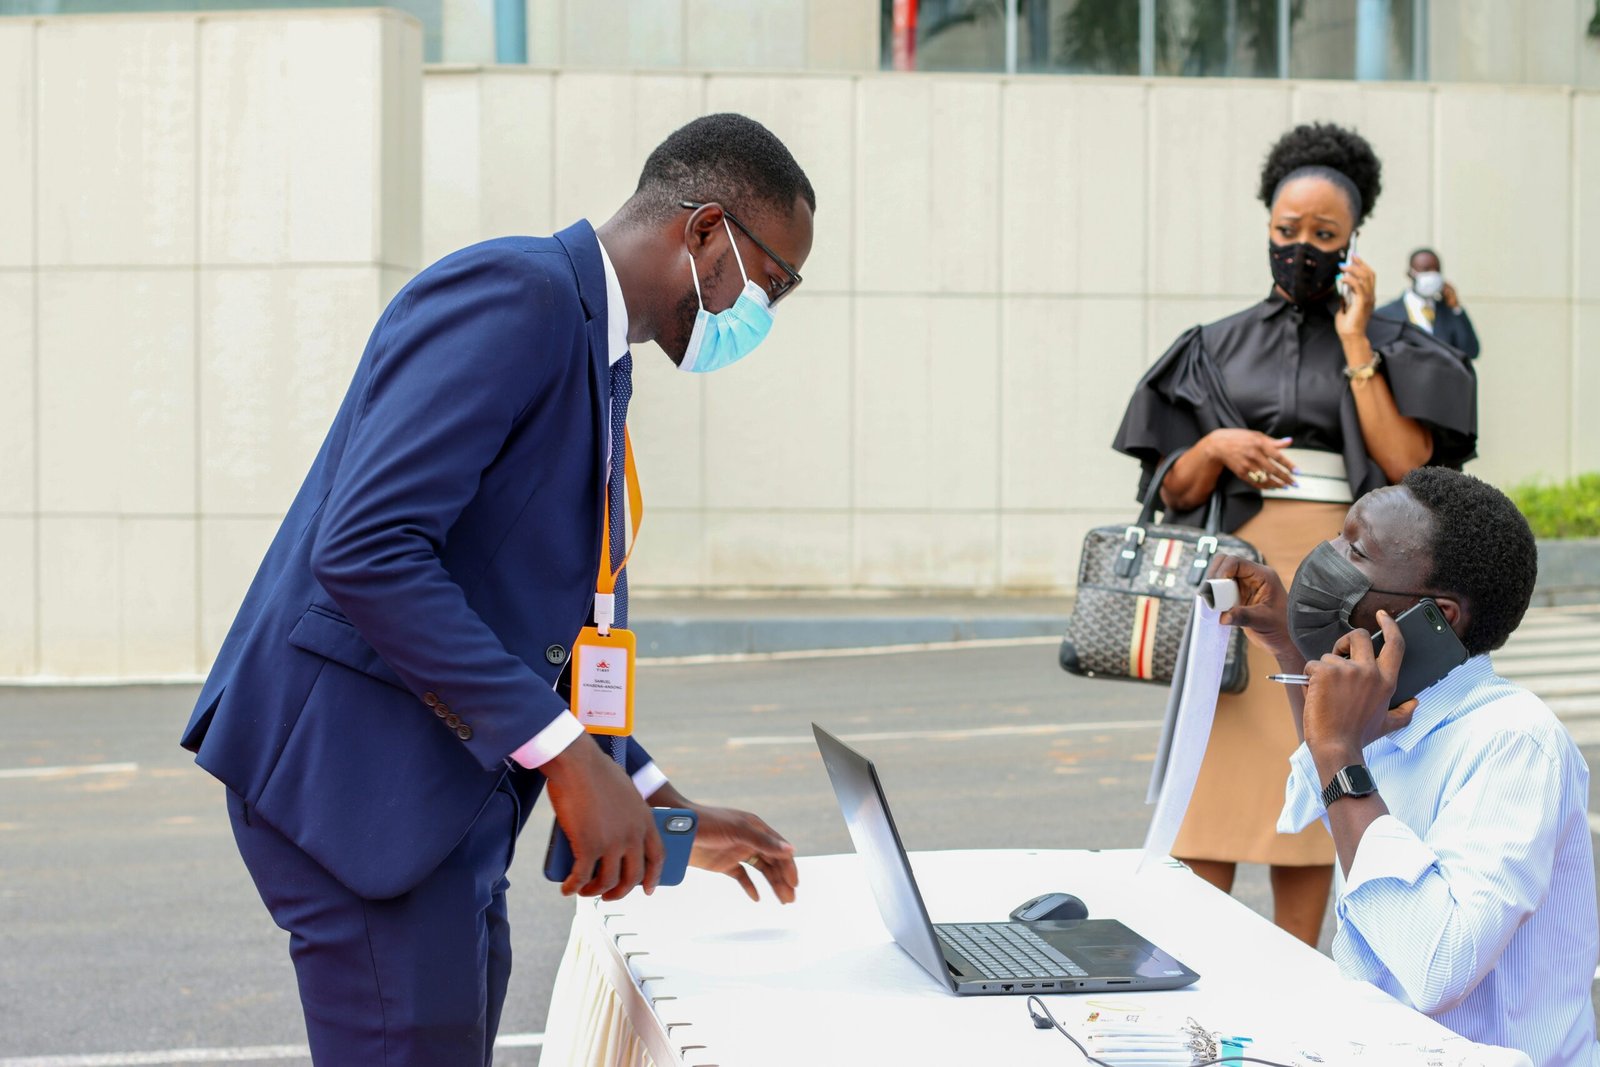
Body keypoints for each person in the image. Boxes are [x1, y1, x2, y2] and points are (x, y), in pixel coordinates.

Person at [179, 113, 814, 1065]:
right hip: (362, 788)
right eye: (775, 280)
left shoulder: (597, 357)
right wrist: (566, 756)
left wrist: (647, 791)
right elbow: (368, 548)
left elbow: (541, 620)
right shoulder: (518, 296)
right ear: (707, 232)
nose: (766, 311)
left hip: (446, 801)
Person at [1111, 122, 1477, 946]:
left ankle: (1300, 966)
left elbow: (1407, 463)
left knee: (1318, 770)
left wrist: (1357, 342)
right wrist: (1211, 446)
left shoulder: (1392, 345)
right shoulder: (1212, 348)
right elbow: (1166, 488)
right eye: (1286, 232)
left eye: (1323, 235)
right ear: (1266, 226)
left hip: (1347, 587)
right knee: (1214, 785)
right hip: (1231, 584)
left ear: (1353, 240)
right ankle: (1195, 960)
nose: (1301, 248)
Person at [1211, 467, 1599, 1067]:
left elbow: (1437, 965)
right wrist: (1292, 647)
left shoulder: (1514, 741)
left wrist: (1341, 751)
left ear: (1435, 614)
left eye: (1356, 550)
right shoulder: (1394, 710)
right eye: (1339, 538)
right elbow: (1332, 789)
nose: (1326, 558)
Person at [1375, 248, 1480, 360]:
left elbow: (1471, 351)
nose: (1432, 274)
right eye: (1425, 270)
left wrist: (1455, 308)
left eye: (1436, 270)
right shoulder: (1386, 315)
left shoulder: (1449, 312)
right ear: (1410, 274)